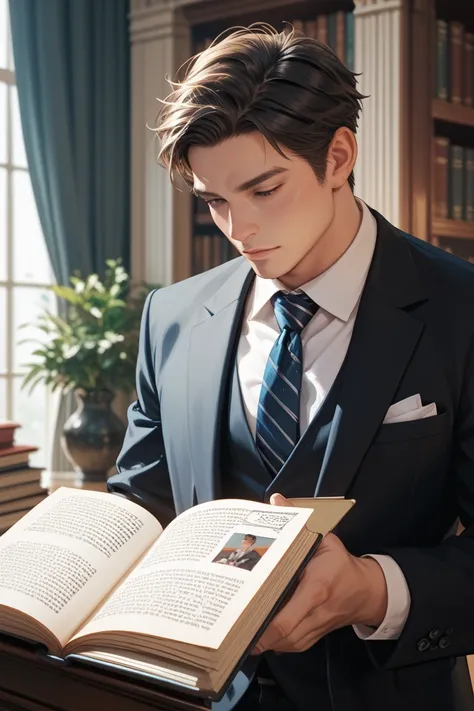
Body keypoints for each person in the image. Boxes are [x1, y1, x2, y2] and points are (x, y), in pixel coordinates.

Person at [107, 24, 474, 711]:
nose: (238, 230)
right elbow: (143, 503)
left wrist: (371, 587)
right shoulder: (172, 317)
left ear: (339, 156)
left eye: (263, 189)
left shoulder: (461, 311)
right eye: (215, 201)